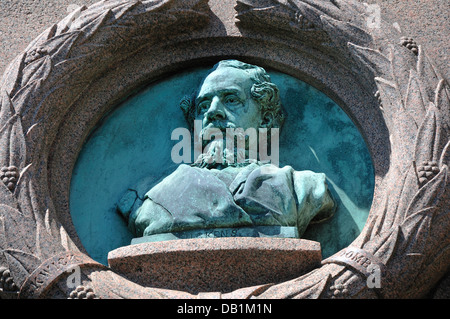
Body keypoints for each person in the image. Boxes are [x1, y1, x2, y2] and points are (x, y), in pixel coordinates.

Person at [117, 60, 335, 241]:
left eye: (231, 100)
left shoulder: (302, 187)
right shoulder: (147, 196)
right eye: (203, 106)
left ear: (265, 119)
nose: (213, 112)